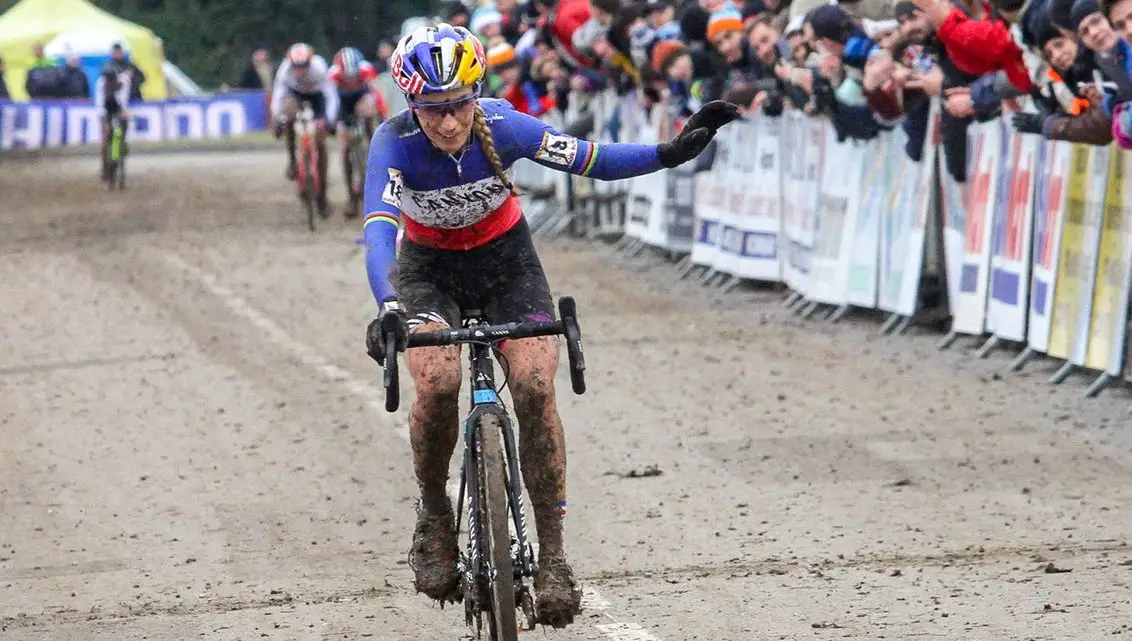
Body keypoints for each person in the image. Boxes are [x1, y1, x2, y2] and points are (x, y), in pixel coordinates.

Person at [361, 22, 739, 629]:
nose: (450, 123)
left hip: (506, 261)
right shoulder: (394, 142)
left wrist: (668, 153)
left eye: (458, 105)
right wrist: (387, 302)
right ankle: (434, 514)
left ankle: (554, 556)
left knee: (536, 384)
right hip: (428, 268)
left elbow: (588, 158)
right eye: (433, 111)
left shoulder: (505, 127)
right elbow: (379, 226)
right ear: (411, 104)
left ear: (475, 95)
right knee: (434, 379)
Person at [270, 43, 340, 210]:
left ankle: (322, 190)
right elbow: (278, 95)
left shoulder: (319, 67)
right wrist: (278, 119)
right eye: (296, 66)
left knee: (321, 139)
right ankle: (293, 160)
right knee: (289, 112)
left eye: (303, 66)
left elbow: (331, 96)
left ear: (310, 63)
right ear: (291, 64)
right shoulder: (285, 70)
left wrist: (330, 119)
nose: (300, 70)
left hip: (317, 96)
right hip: (296, 94)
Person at [329, 46, 388, 217]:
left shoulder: (366, 70)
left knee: (368, 110)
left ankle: (372, 141)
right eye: (347, 77)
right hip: (343, 103)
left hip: (362, 97)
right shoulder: (333, 75)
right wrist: (332, 122)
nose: (351, 79)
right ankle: (350, 195)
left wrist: (382, 118)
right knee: (345, 147)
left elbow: (376, 95)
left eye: (354, 76)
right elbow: (331, 100)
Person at [95, 56, 132, 180]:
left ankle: (122, 148)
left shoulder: (124, 82)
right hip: (106, 111)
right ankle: (105, 166)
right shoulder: (100, 84)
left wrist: (123, 112)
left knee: (122, 131)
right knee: (106, 138)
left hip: (119, 109)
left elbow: (123, 100)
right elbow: (100, 105)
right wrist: (105, 120)